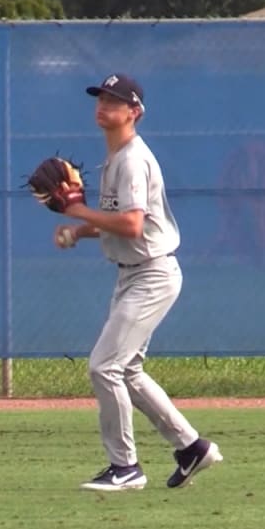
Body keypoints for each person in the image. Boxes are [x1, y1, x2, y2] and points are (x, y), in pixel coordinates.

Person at [55, 73, 223, 491]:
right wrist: (81, 230)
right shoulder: (115, 158)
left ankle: (125, 467)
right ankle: (191, 448)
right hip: (136, 274)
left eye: (115, 100)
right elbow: (124, 221)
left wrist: (78, 214)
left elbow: (131, 225)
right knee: (126, 369)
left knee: (103, 366)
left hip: (151, 274)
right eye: (101, 98)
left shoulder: (131, 159)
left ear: (135, 113)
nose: (103, 105)